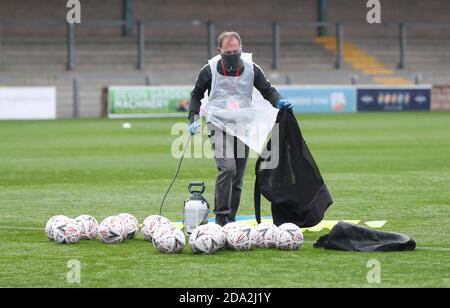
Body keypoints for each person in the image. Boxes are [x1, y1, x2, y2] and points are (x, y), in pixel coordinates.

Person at [188, 31, 292, 226]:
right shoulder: (208, 70)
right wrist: (193, 119)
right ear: (219, 51)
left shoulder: (253, 69)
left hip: (243, 127)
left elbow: (267, 90)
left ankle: (231, 219)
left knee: (237, 178)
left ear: (241, 48)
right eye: (229, 52)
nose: (233, 54)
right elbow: (196, 95)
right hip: (217, 124)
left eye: (237, 51)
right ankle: (221, 217)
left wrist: (279, 102)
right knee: (227, 168)